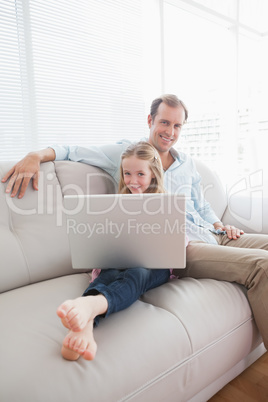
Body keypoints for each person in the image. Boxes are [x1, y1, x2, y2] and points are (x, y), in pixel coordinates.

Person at [2, 94, 268, 352]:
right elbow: (73, 151)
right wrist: (35, 156)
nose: (170, 131)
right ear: (150, 120)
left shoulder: (186, 163)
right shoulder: (127, 153)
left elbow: (202, 206)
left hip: (212, 233)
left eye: (177, 125)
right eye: (164, 122)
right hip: (181, 244)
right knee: (262, 267)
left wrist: (221, 225)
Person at [57, 141, 177, 361]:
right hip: (117, 261)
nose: (132, 180)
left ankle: (91, 304)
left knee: (137, 272)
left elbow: (178, 242)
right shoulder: (118, 203)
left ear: (153, 174)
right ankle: (83, 328)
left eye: (140, 174)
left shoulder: (165, 203)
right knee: (109, 274)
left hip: (154, 266)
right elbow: (103, 243)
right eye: (127, 173)